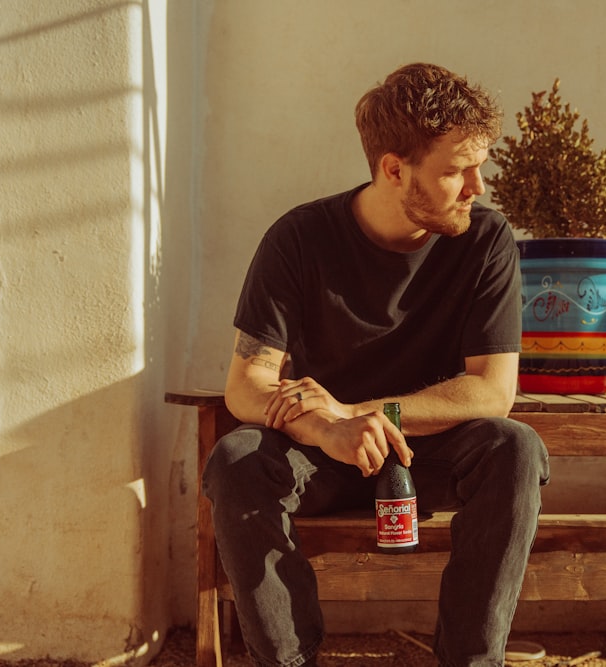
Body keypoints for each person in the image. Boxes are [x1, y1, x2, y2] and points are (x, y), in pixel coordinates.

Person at [202, 62, 550, 667]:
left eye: (479, 166)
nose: (478, 187)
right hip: (323, 459)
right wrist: (327, 428)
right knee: (235, 459)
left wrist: (361, 410)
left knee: (514, 447)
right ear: (394, 168)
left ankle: (471, 662)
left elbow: (493, 391)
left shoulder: (485, 239)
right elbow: (247, 384)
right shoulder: (299, 238)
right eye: (456, 171)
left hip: (428, 450)